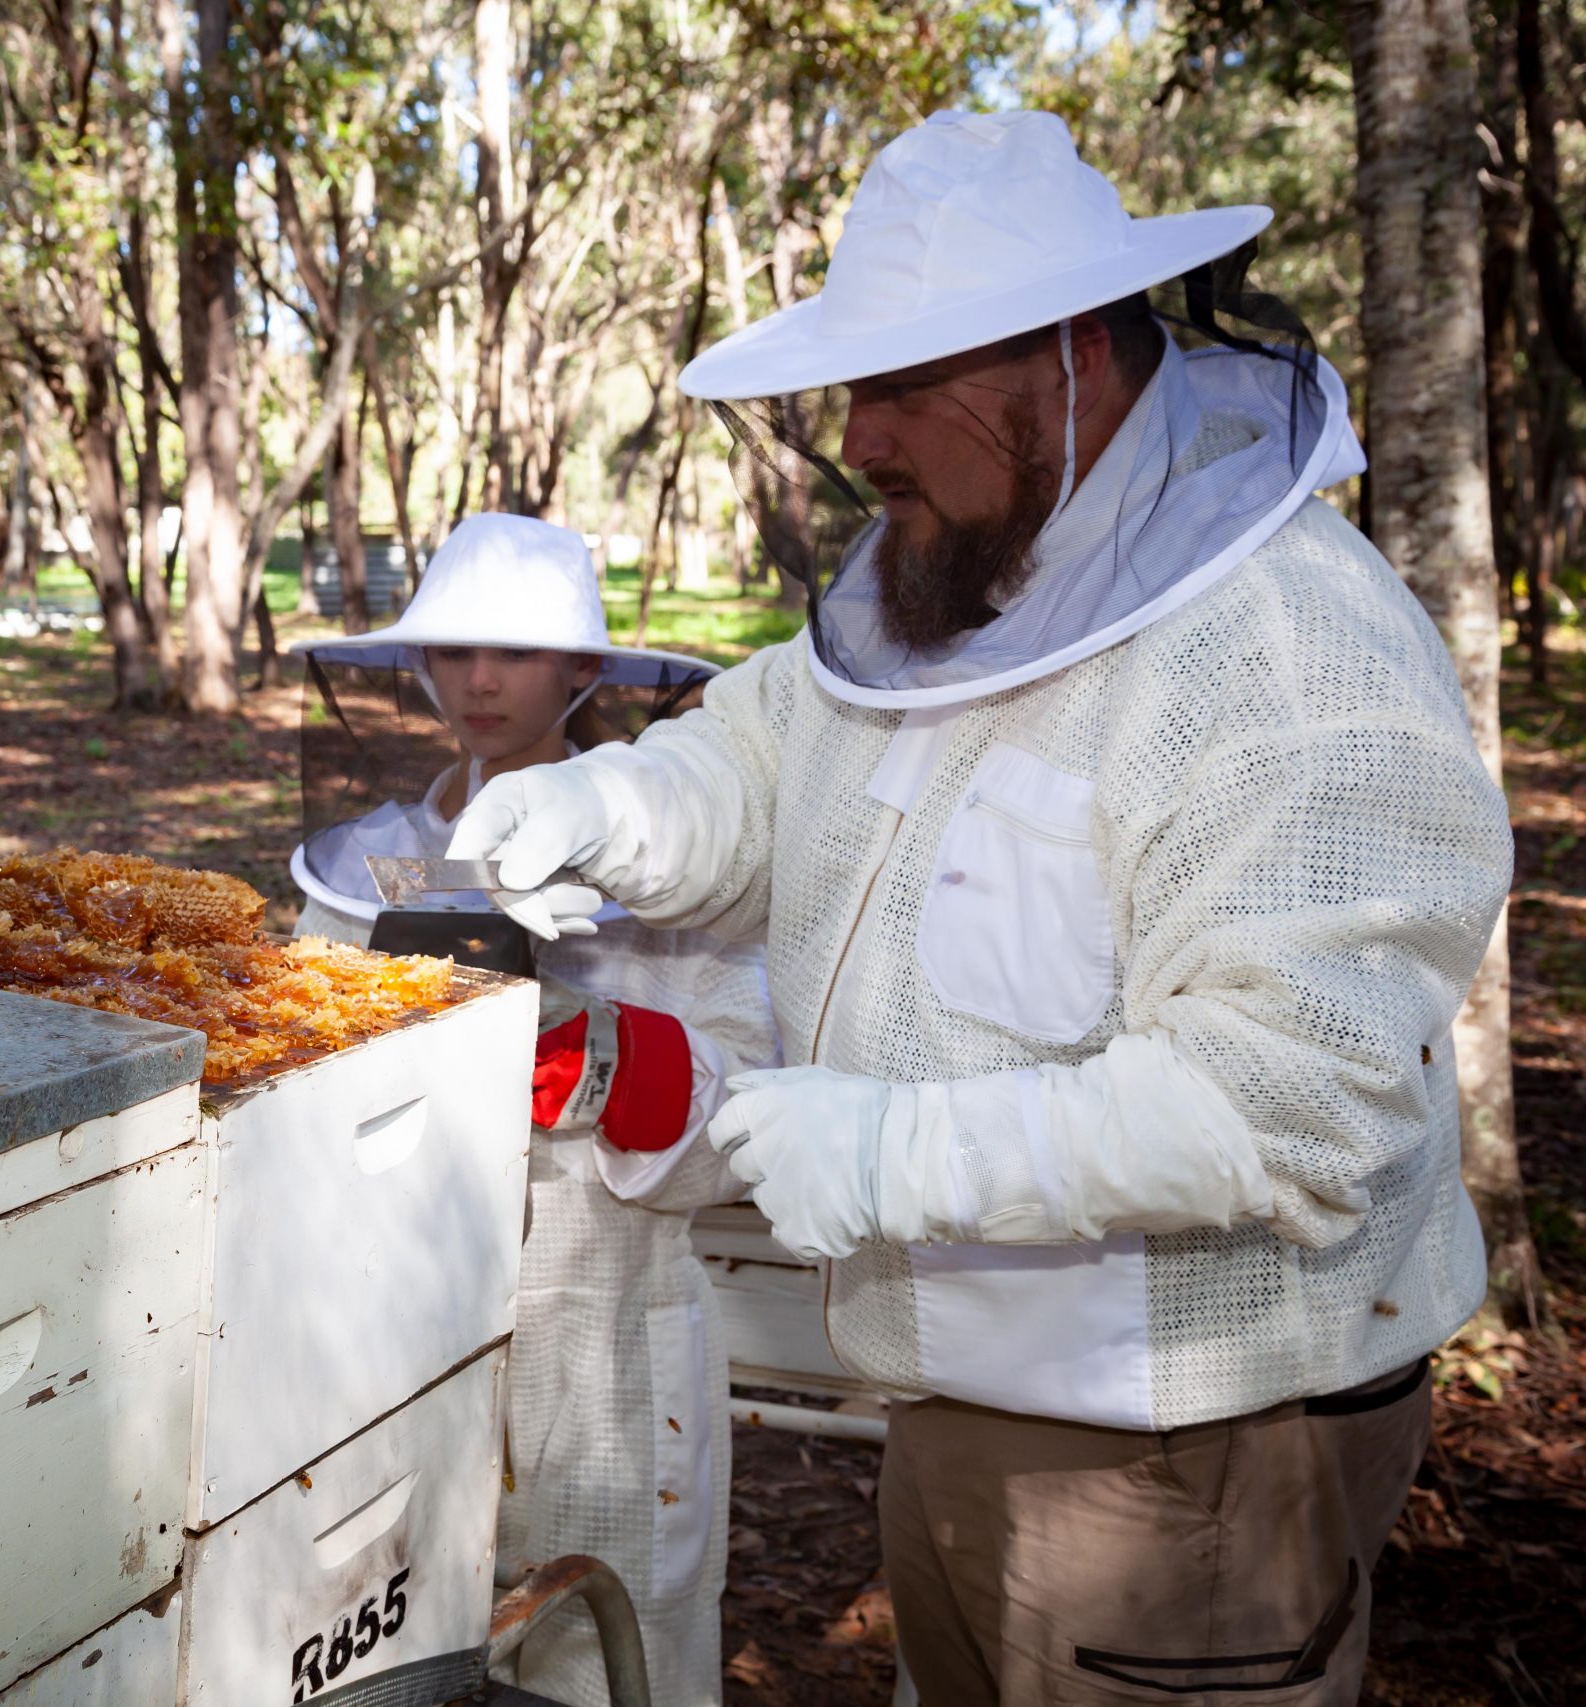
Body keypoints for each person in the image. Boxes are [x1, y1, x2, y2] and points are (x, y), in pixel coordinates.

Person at [448, 112, 1512, 1702]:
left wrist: (891, 1153)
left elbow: (1286, 1098)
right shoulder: (953, 565)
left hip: (1182, 1456)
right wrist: (607, 807)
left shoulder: (1292, 646)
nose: (863, 434)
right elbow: (761, 759)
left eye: (905, 383)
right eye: (852, 388)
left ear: (1075, 353)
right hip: (957, 1402)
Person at [291, 513, 771, 1707]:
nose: (480, 681)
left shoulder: (672, 861)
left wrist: (612, 1066)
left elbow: (750, 1111)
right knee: (410, 1643)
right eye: (453, 652)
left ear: (585, 673)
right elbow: (303, 1066)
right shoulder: (371, 858)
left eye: (513, 653)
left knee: (609, 1651)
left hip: (607, 1322)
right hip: (403, 1314)